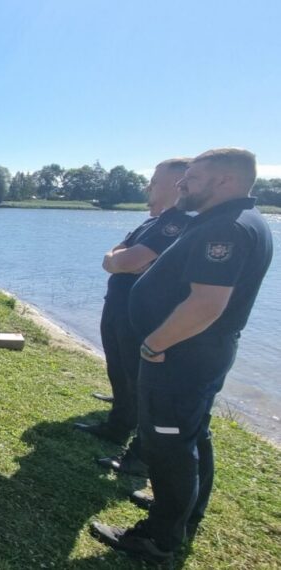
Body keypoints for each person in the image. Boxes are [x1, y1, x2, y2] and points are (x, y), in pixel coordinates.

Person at [91, 149, 274, 563]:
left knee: (168, 447)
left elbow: (207, 304)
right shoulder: (238, 221)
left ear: (224, 182)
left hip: (181, 357)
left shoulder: (225, 228)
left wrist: (155, 343)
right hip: (196, 355)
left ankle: (158, 538)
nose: (181, 184)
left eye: (191, 177)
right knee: (193, 437)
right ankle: (183, 515)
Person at [75, 159, 192, 477]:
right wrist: (120, 260)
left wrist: (122, 260)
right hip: (118, 306)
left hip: (140, 315)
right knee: (118, 368)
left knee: (139, 379)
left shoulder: (177, 223)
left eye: (155, 182)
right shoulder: (152, 222)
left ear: (178, 185)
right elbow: (118, 254)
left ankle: (141, 455)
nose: (148, 187)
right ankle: (117, 425)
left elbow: (132, 259)